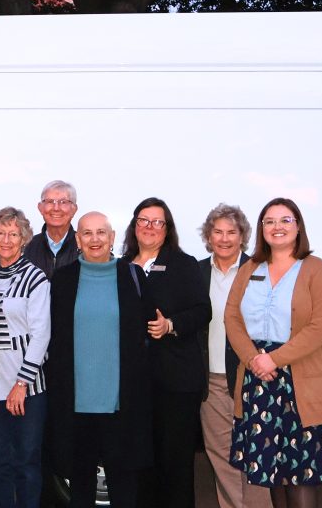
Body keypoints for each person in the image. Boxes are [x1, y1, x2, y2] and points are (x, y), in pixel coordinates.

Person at [225, 198, 322, 507]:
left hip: (302, 382)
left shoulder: (317, 269)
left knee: (301, 474)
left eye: (285, 220)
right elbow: (231, 318)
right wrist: (254, 359)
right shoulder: (250, 268)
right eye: (270, 221)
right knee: (271, 472)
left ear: (298, 226)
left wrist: (273, 359)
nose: (277, 227)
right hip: (259, 381)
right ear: (262, 230)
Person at [47, 212, 155, 508]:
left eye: (101, 233)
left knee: (123, 484)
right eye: (86, 233)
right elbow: (54, 341)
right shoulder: (63, 280)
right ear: (77, 239)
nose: (94, 239)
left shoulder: (133, 277)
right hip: (77, 403)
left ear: (112, 237)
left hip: (121, 403)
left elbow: (146, 334)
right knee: (80, 484)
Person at [122, 197, 210, 508]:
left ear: (167, 228)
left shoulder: (183, 264)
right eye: (143, 220)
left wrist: (170, 325)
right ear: (134, 226)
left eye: (157, 222)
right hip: (135, 383)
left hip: (176, 381)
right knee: (142, 463)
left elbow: (203, 311)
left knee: (175, 465)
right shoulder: (120, 266)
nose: (149, 227)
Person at [196, 205, 272, 508]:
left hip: (252, 376)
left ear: (242, 236)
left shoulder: (259, 271)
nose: (224, 238)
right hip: (212, 381)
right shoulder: (197, 271)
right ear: (208, 236)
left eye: (231, 232)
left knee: (256, 456)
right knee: (221, 456)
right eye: (218, 231)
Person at [0, 207, 51, 508]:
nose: (6, 239)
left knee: (28, 463)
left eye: (14, 234)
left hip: (28, 388)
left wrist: (21, 383)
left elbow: (41, 335)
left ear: (24, 239)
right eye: (1, 233)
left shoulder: (36, 279)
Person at [22, 180, 80, 277]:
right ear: (40, 208)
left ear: (74, 209)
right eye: (50, 202)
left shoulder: (85, 247)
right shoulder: (26, 248)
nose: (56, 208)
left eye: (63, 202)